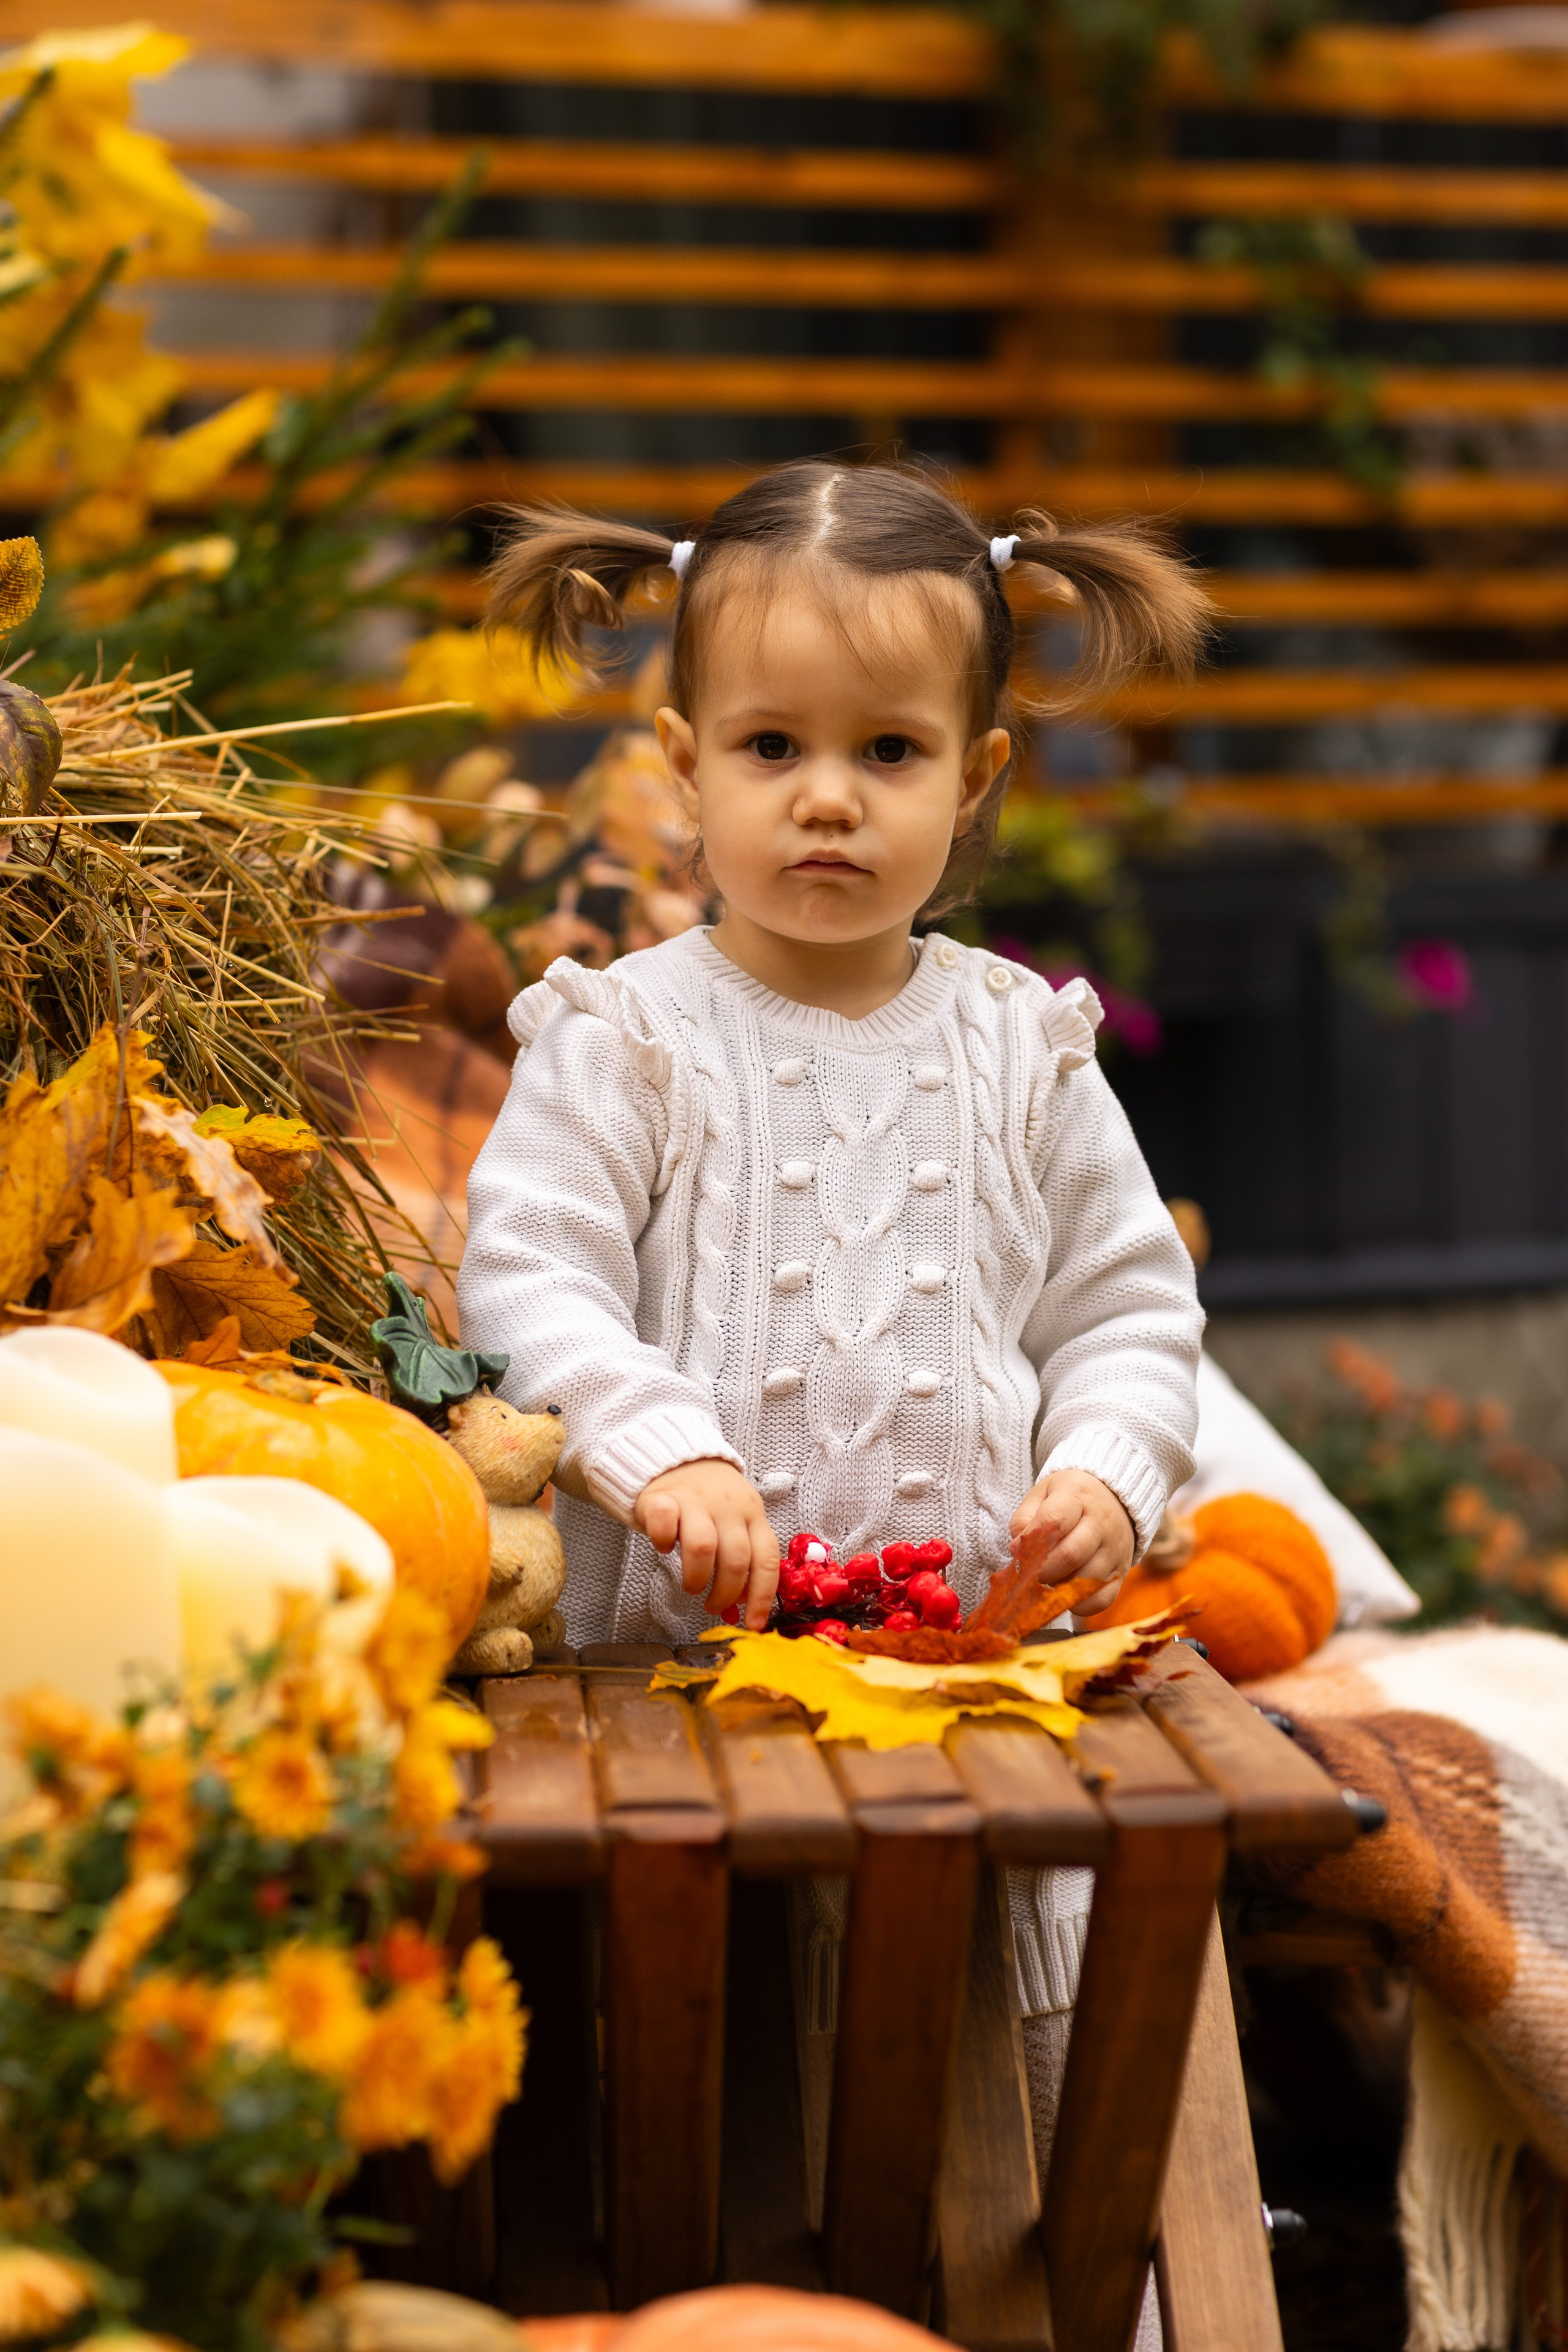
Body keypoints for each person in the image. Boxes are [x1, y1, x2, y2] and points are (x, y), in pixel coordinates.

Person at [459, 458, 1207, 2347]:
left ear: (979, 780)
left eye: (888, 751)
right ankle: (675, 2274)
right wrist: (662, 1446)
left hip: (955, 1684)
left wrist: (1107, 1472)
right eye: (772, 744)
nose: (826, 797)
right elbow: (528, 1275)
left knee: (955, 2063)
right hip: (666, 1703)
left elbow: (1128, 1302)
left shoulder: (1021, 1051)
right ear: (686, 760)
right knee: (690, 2075)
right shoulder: (625, 1038)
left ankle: (1009, 2270)